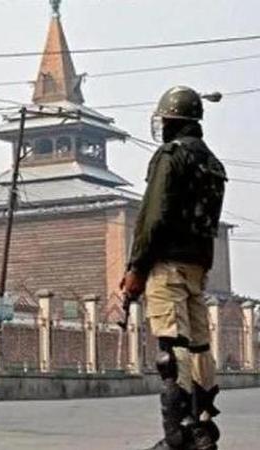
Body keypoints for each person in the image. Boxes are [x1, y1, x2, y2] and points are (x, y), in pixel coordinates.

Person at [122, 86, 226, 450]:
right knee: (199, 346)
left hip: (167, 265)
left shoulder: (170, 156)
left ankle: (178, 435)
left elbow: (153, 217)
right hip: (198, 266)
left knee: (172, 347)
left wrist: (136, 267)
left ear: (171, 120)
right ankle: (202, 426)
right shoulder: (213, 164)